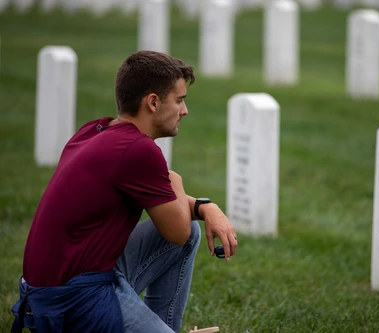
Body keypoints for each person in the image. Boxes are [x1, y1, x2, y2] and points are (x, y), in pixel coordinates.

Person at [11, 50, 238, 333]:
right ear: (153, 102)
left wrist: (206, 207)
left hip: (49, 292)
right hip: (75, 301)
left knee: (192, 227)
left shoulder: (97, 130)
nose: (184, 111)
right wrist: (175, 179)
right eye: (179, 100)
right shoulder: (139, 150)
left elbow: (170, 209)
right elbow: (176, 233)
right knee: (186, 231)